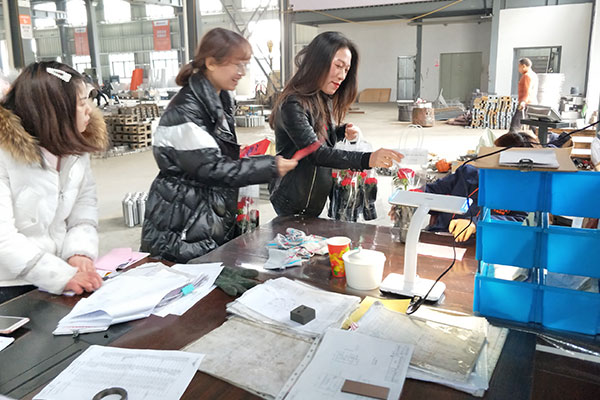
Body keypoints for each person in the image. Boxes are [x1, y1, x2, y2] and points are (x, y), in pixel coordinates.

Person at [141, 28, 297, 263]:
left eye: (245, 65)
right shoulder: (184, 111)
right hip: (182, 221)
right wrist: (269, 166)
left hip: (206, 212)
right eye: (237, 64)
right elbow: (214, 169)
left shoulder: (217, 99)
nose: (242, 72)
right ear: (211, 63)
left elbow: (211, 155)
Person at [0, 61, 106, 303]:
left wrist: (79, 251)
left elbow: (84, 206)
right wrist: (58, 276)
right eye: (81, 103)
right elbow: (3, 237)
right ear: (53, 110)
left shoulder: (75, 149)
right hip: (9, 284)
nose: (89, 110)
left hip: (58, 272)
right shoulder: (4, 156)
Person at [269, 31, 403, 217]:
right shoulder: (293, 104)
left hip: (312, 201)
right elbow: (316, 152)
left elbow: (322, 136)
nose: (342, 76)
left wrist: (340, 132)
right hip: (291, 201)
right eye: (338, 66)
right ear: (318, 62)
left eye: (346, 70)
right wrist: (368, 159)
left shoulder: (322, 98)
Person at [509, 58, 538, 133]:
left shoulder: (526, 76)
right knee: (534, 126)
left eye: (519, 66)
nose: (519, 69)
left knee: (515, 126)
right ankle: (540, 138)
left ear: (523, 66)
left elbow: (526, 90)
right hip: (533, 103)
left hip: (525, 104)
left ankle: (512, 138)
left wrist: (522, 102)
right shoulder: (534, 75)